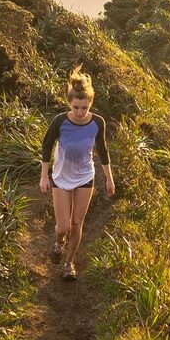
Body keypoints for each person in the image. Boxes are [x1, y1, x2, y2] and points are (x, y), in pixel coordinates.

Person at [39, 66, 115, 280]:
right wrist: (44, 176)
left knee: (76, 224)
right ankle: (59, 242)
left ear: (90, 104)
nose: (80, 112)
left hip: (84, 176)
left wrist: (109, 179)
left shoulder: (97, 122)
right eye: (76, 107)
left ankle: (69, 263)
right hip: (61, 177)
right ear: (69, 104)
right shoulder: (60, 121)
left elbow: (102, 150)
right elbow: (46, 146)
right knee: (62, 226)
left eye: (84, 107)